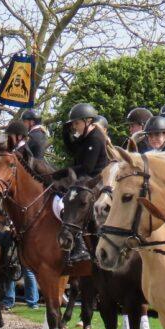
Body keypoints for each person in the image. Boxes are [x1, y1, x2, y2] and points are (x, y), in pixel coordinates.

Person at [53, 103, 109, 265]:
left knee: (76, 203)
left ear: (87, 121)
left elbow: (87, 167)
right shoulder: (86, 137)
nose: (74, 126)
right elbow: (73, 150)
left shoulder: (96, 138)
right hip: (84, 179)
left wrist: (64, 172)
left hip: (95, 181)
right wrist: (65, 134)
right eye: (73, 124)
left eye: (76, 123)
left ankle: (81, 247)